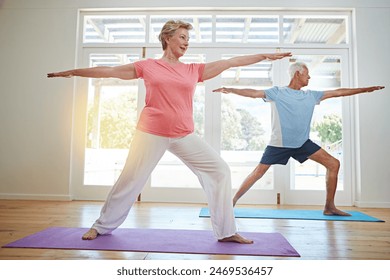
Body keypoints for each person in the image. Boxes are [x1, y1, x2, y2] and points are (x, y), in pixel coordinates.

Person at [48, 20, 291, 243]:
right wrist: (74, 71)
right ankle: (101, 226)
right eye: (183, 37)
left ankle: (227, 231)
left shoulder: (193, 70)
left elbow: (230, 62)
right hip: (150, 133)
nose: (187, 42)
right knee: (130, 179)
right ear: (168, 38)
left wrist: (263, 56)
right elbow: (110, 70)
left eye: (188, 38)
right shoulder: (148, 66)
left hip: (184, 134)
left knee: (219, 170)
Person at [213, 62, 384, 216]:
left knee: (334, 164)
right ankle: (232, 201)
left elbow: (338, 92)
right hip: (279, 144)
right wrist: (232, 89)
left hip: (302, 143)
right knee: (259, 172)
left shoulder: (311, 95)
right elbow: (254, 93)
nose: (309, 77)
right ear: (297, 74)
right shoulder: (278, 92)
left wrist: (364, 89)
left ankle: (329, 206)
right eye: (306, 74)